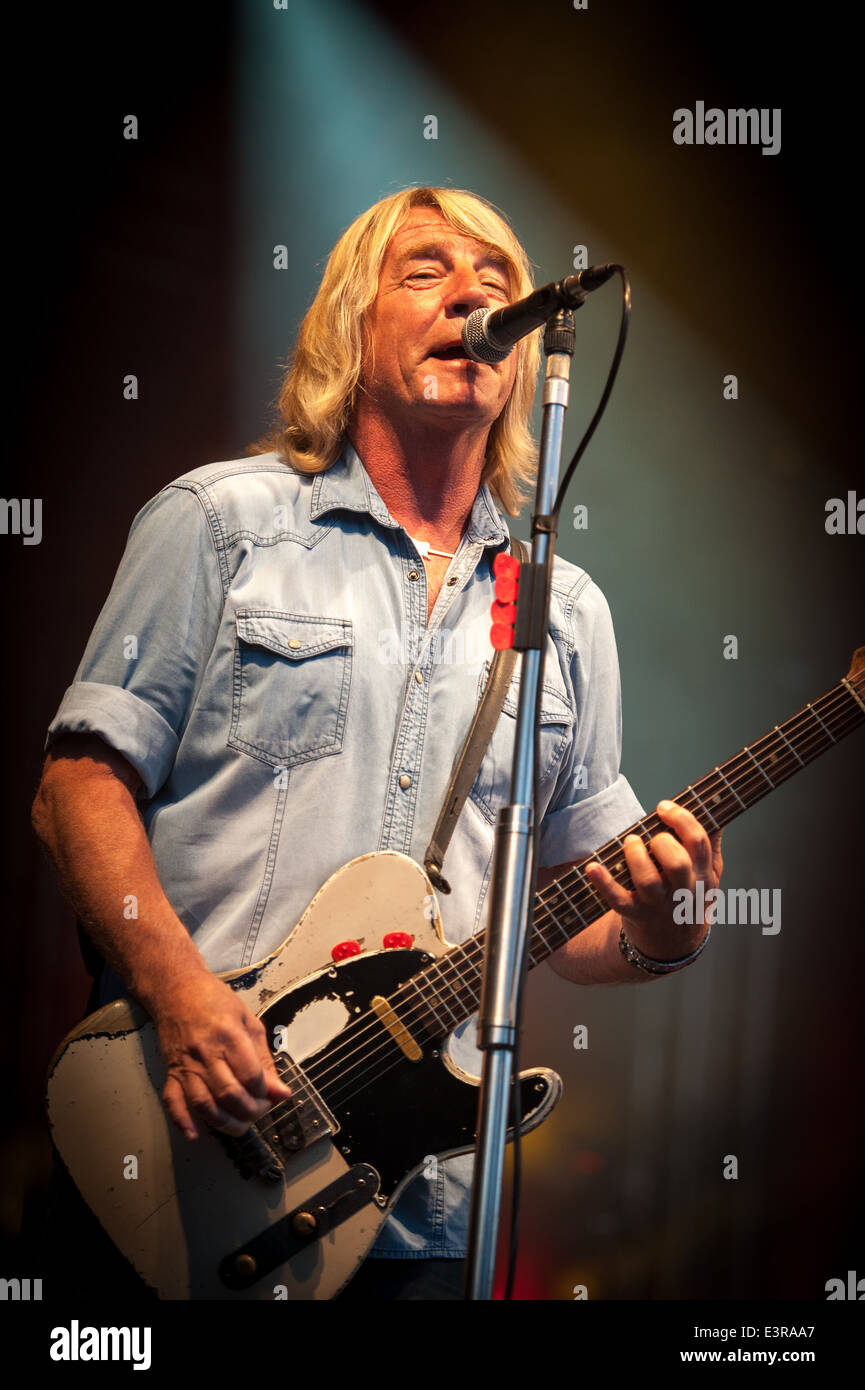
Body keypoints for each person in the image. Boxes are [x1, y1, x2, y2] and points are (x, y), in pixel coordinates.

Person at [32, 185, 723, 1301]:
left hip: (417, 1209)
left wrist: (663, 924)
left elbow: (570, 914)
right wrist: (182, 993)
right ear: (347, 326)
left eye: (499, 283)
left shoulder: (565, 608)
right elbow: (79, 786)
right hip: (176, 1148)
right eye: (426, 273)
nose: (475, 297)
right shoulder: (220, 525)